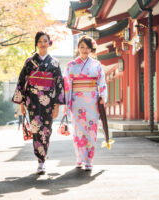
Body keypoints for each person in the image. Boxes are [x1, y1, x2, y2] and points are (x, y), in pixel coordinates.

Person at [12, 31, 65, 175]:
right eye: (40, 41)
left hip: (48, 100)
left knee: (46, 129)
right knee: (36, 129)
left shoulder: (54, 63)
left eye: (45, 41)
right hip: (32, 99)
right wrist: (21, 104)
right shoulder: (29, 62)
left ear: (49, 43)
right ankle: (40, 161)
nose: (43, 43)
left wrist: (57, 106)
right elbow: (21, 82)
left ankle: (43, 157)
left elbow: (59, 84)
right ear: (36, 43)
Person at [63, 35, 107, 171]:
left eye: (87, 48)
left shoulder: (96, 65)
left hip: (92, 101)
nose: (84, 50)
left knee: (91, 130)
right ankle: (79, 157)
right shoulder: (71, 65)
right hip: (76, 101)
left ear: (91, 49)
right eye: (82, 47)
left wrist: (102, 96)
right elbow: (66, 85)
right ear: (78, 48)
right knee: (78, 130)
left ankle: (89, 159)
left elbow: (102, 83)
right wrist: (66, 103)